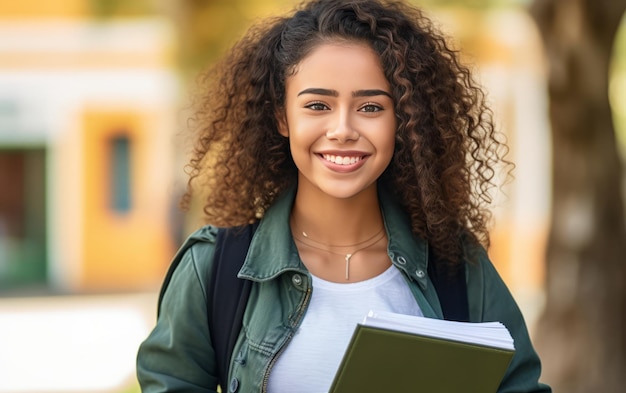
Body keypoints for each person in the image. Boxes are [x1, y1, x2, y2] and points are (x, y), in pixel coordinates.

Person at [136, 0, 551, 392]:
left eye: (371, 108)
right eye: (317, 105)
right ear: (282, 117)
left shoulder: (456, 267)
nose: (343, 129)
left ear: (402, 121)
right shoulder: (215, 268)